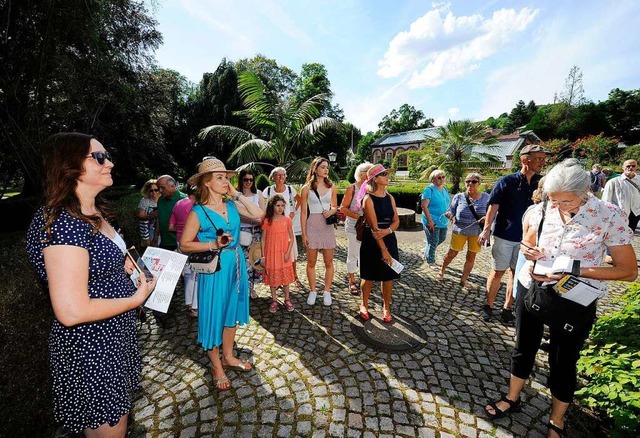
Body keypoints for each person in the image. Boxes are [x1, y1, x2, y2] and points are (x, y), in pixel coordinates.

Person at [484, 159, 637, 438]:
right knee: (523, 347)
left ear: (585, 192)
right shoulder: (542, 208)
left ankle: (557, 420)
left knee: (563, 360)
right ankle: (513, 397)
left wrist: (573, 269)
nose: (558, 207)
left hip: (575, 299)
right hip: (534, 288)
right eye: (553, 200)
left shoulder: (608, 215)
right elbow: (528, 239)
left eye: (566, 201)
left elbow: (628, 272)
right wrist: (530, 251)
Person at [26, 133, 157, 437]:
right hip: (92, 346)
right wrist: (135, 299)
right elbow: (71, 310)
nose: (109, 162)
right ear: (70, 165)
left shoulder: (91, 212)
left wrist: (125, 268)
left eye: (107, 155)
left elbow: (96, 264)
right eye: (99, 157)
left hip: (111, 336)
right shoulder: (63, 222)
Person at [179, 158, 264, 391]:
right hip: (215, 270)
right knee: (213, 316)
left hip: (236, 266)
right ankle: (216, 366)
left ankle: (228, 356)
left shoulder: (232, 205)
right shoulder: (198, 212)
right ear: (206, 183)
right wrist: (212, 245)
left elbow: (259, 214)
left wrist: (237, 194)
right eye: (220, 177)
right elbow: (185, 244)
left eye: (226, 177)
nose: (226, 181)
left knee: (231, 313)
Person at [478, 144, 547, 322]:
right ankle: (489, 305)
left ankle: (508, 307)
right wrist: (486, 231)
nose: (543, 162)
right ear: (525, 160)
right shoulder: (506, 181)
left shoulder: (543, 183)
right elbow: (493, 208)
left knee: (516, 273)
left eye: (543, 158)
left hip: (527, 240)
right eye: (539, 158)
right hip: (504, 235)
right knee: (498, 271)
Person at [355, 164, 400, 323]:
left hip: (388, 237)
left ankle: (386, 307)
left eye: (387, 174)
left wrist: (388, 231)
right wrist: (384, 251)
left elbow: (396, 221)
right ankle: (364, 304)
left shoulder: (390, 197)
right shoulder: (368, 199)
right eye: (384, 174)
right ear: (375, 179)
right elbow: (374, 229)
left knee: (387, 276)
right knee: (368, 275)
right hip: (372, 240)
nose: (387, 176)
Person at [437, 172, 489, 288]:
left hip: (476, 232)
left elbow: (493, 213)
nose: (470, 183)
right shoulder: (459, 197)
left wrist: (487, 218)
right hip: (459, 231)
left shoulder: (486, 197)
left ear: (479, 183)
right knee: (452, 253)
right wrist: (450, 215)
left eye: (474, 181)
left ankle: (463, 279)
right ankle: (442, 270)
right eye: (468, 181)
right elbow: (452, 211)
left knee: (471, 256)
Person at [300, 157, 338, 306]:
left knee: (328, 262)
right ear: (315, 169)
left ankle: (327, 291)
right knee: (311, 262)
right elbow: (303, 213)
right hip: (312, 226)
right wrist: (304, 234)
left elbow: (335, 206)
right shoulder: (306, 189)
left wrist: (332, 211)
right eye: (322, 167)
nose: (326, 169)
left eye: (327, 167)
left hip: (327, 226)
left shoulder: (332, 187)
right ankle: (313, 290)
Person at [262, 167, 303, 289]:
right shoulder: (268, 190)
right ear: (273, 177)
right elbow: (261, 202)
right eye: (278, 175)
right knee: (275, 251)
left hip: (286, 224)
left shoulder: (290, 189)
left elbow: (300, 200)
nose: (280, 178)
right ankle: (277, 278)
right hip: (273, 225)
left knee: (290, 251)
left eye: (283, 175)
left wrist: (293, 212)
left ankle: (293, 276)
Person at [340, 161, 374, 295]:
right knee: (353, 252)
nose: (373, 174)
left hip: (369, 226)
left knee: (366, 254)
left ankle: (365, 279)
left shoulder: (373, 188)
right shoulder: (352, 189)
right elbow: (342, 208)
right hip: (355, 225)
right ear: (361, 174)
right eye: (369, 171)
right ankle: (352, 280)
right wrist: (357, 216)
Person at [261, 195, 296, 312]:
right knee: (272, 278)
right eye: (278, 205)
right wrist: (263, 256)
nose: (280, 208)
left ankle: (287, 299)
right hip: (271, 253)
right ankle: (274, 300)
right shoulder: (267, 221)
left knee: (285, 278)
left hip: (283, 252)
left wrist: (288, 252)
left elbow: (292, 237)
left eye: (282, 206)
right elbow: (263, 239)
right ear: (272, 206)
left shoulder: (287, 220)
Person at [170, 185, 198, 317]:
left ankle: (188, 304)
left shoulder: (178, 203)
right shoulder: (196, 206)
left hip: (180, 241)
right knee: (196, 274)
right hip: (195, 242)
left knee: (187, 273)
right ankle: (195, 305)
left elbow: (171, 227)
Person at [237, 169, 265, 299]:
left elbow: (263, 213)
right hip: (242, 232)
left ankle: (252, 288)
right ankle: (244, 288)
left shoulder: (257, 194)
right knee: (244, 261)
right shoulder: (236, 196)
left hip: (257, 232)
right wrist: (253, 219)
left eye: (251, 180)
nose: (248, 182)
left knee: (255, 260)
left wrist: (257, 220)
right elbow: (238, 216)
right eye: (245, 179)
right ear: (241, 180)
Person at [421, 169, 449, 269]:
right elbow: (424, 206)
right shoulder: (429, 190)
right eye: (439, 177)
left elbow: (446, 204)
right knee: (433, 241)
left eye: (443, 177)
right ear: (432, 179)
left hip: (443, 220)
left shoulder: (444, 189)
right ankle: (431, 261)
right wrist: (430, 221)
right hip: (432, 220)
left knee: (442, 238)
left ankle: (426, 250)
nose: (442, 179)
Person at [602, 159, 640, 232]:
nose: (630, 168)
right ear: (623, 167)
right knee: (617, 235)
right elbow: (606, 200)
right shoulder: (613, 182)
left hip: (636, 213)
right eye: (628, 166)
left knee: (630, 234)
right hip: (619, 214)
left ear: (636, 167)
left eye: (633, 166)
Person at [156, 174, 186, 250]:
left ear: (173, 186)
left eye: (162, 188)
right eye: (159, 188)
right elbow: (159, 219)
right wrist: (155, 237)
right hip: (163, 242)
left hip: (179, 243)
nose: (160, 191)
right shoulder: (160, 200)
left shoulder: (184, 200)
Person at [137, 179, 159, 248]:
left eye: (156, 190)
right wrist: (152, 215)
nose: (154, 192)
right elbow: (141, 216)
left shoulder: (163, 199)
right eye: (151, 190)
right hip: (149, 229)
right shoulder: (145, 201)